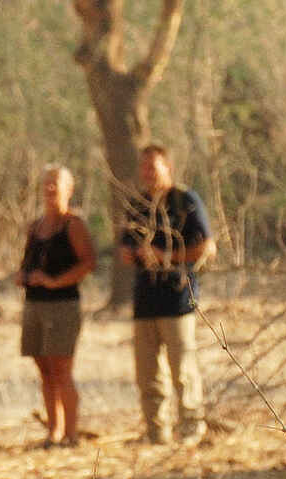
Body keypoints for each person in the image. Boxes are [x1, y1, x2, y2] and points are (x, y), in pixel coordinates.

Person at [116, 144, 216, 444]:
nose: (147, 173)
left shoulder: (185, 200)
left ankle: (191, 430)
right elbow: (123, 249)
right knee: (147, 373)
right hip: (145, 298)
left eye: (153, 166)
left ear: (168, 167)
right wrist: (138, 255)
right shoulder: (137, 204)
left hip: (178, 298)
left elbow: (206, 248)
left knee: (183, 369)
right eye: (143, 167)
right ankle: (156, 432)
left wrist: (165, 256)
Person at [17, 165, 96, 446]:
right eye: (47, 183)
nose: (50, 189)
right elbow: (26, 262)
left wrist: (54, 282)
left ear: (69, 189)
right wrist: (24, 277)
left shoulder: (73, 225)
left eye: (56, 184)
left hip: (62, 306)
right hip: (34, 305)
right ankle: (54, 430)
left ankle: (71, 434)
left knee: (62, 369)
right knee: (44, 369)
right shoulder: (35, 227)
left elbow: (88, 263)